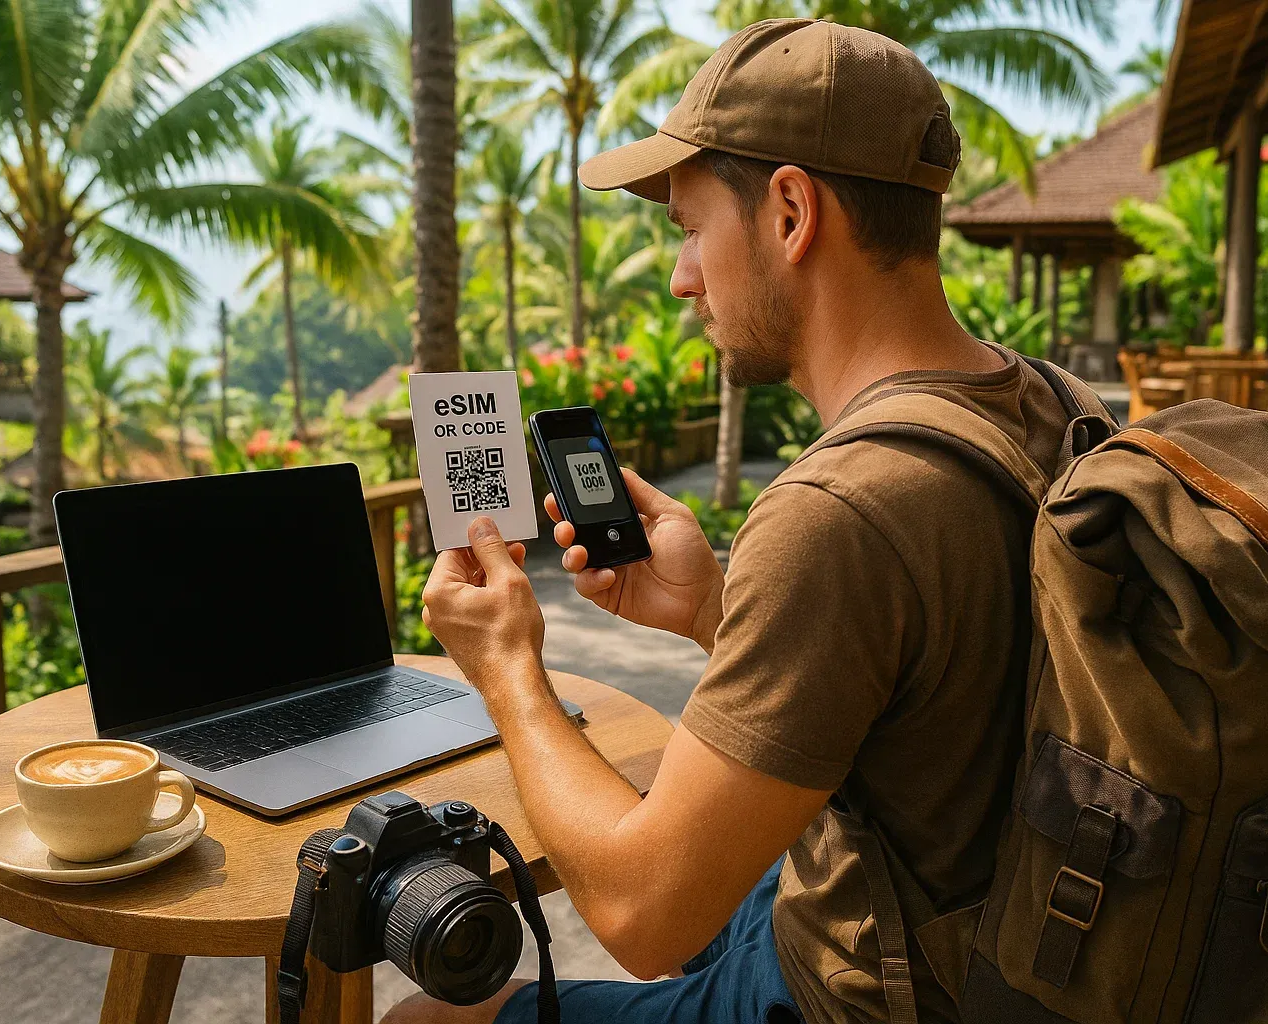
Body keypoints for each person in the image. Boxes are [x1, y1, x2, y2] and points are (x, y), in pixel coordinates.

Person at [385, 17, 1079, 1024]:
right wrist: (716, 603)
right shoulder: (1056, 405)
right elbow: (941, 706)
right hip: (998, 946)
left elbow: (640, 915)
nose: (680, 279)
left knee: (422, 1021)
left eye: (689, 230)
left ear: (791, 212)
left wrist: (506, 665)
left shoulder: (841, 511)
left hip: (864, 998)